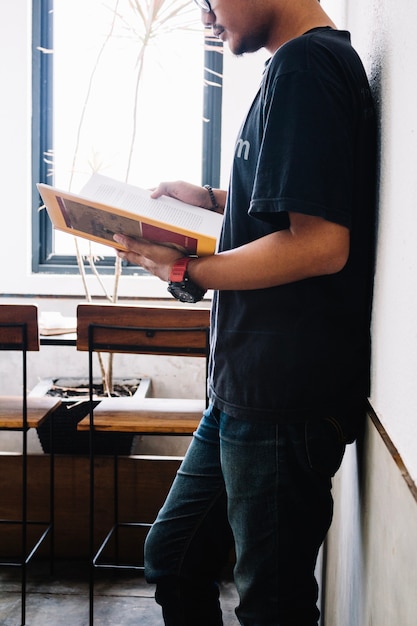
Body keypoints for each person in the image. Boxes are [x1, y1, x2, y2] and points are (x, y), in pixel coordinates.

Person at [113, 0, 377, 623]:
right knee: (174, 554)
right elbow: (293, 196)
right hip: (248, 392)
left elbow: (319, 242)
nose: (205, 14)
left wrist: (186, 270)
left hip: (282, 400)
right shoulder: (302, 64)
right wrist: (208, 199)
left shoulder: (307, 67)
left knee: (271, 605)